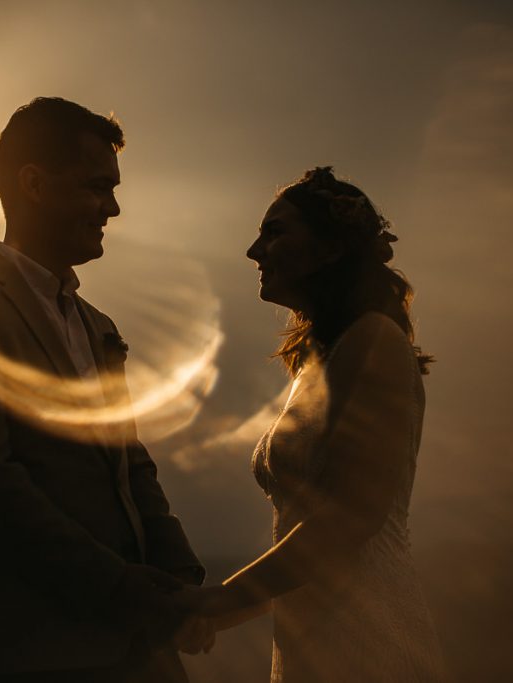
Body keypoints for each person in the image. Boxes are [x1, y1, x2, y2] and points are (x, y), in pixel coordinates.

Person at [0, 97, 208, 683]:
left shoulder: (100, 326)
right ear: (34, 184)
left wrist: (183, 581)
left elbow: (132, 464)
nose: (113, 208)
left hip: (143, 652)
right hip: (37, 653)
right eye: (98, 187)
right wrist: (118, 585)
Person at [181, 167, 446, 681]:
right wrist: (221, 615)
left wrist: (216, 601)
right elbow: (304, 539)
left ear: (330, 249)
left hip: (371, 639)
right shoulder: (317, 362)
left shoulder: (375, 341)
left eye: (275, 232)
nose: (254, 251)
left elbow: (350, 521)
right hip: (312, 638)